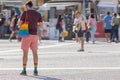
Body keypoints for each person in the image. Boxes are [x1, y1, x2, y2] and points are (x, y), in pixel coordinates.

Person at [19, 1, 43, 76]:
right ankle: (35, 70)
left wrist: (21, 23)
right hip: (35, 35)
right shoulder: (38, 14)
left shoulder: (25, 13)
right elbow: (41, 26)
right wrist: (36, 25)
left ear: (27, 6)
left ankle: (24, 70)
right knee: (35, 53)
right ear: (32, 6)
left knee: (25, 53)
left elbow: (20, 23)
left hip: (26, 35)